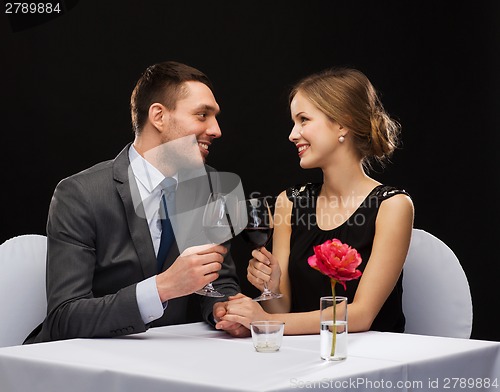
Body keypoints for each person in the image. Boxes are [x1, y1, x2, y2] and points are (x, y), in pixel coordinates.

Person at [25, 61, 248, 343]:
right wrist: (161, 288)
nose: (216, 130)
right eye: (202, 115)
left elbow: (219, 282)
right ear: (158, 116)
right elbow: (65, 317)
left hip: (174, 362)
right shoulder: (79, 194)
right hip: (84, 367)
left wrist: (224, 309)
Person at [217, 67, 414, 335]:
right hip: (305, 355)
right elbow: (282, 309)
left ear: (342, 123)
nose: (292, 134)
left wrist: (263, 321)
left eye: (303, 120)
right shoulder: (290, 202)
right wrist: (272, 288)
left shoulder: (393, 206)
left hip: (371, 361)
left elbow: (361, 316)